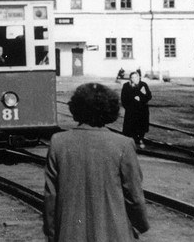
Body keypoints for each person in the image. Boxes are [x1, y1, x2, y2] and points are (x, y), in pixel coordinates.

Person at [44, 83, 149, 242]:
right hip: (114, 233)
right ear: (110, 110)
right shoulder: (123, 144)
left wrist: (52, 233)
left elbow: (51, 196)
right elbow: (134, 195)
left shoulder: (58, 142)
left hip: (70, 234)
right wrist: (140, 225)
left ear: (75, 108)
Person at [121, 71, 152, 148]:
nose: (134, 79)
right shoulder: (126, 86)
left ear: (139, 77)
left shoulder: (143, 85)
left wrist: (140, 98)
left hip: (142, 109)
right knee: (131, 126)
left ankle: (141, 138)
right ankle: (133, 139)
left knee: (142, 126)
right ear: (130, 78)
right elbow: (123, 98)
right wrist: (128, 107)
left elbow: (149, 96)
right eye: (132, 77)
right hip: (131, 110)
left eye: (136, 77)